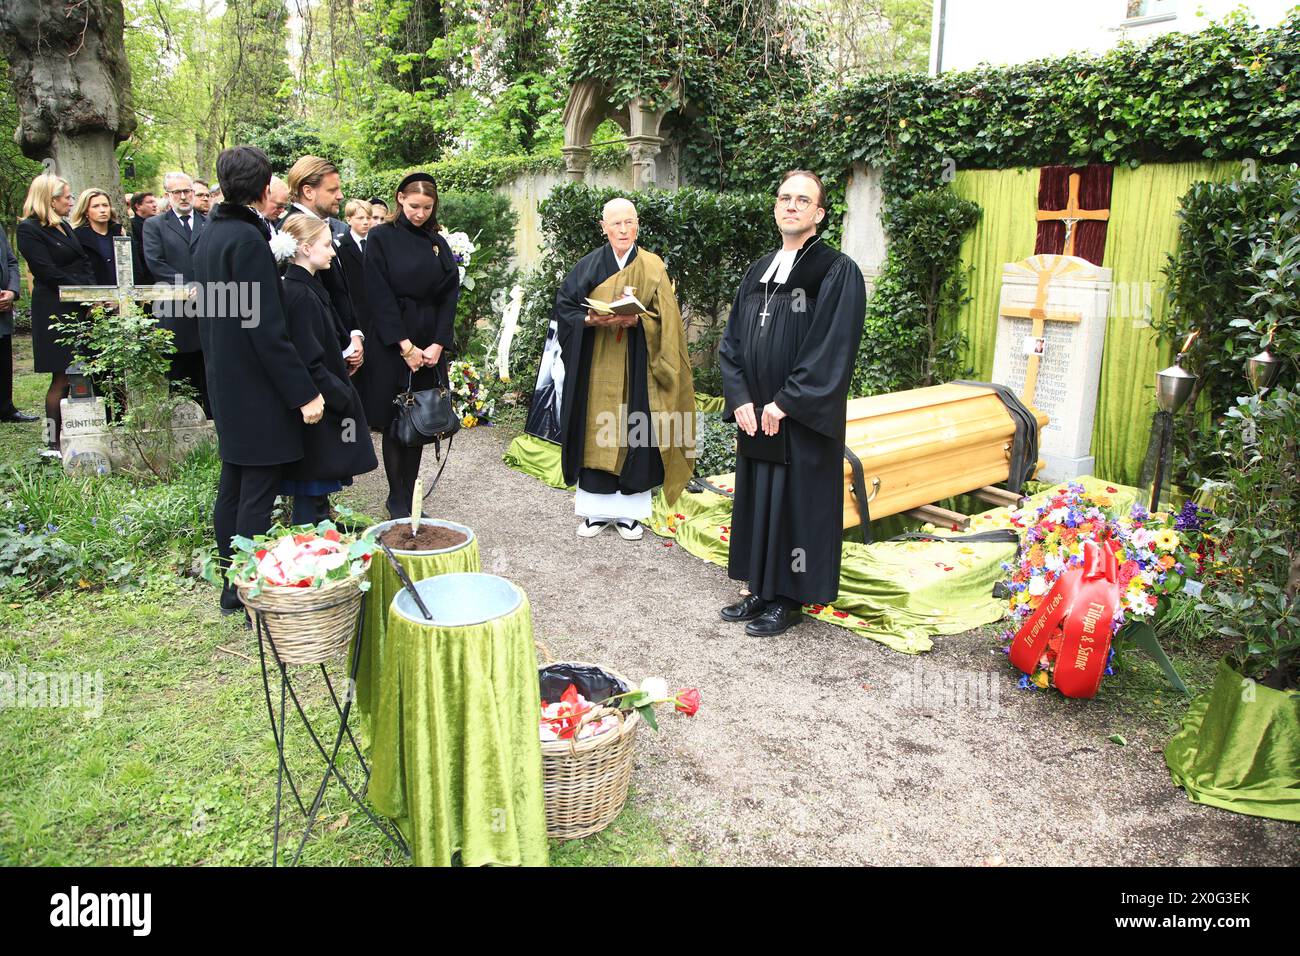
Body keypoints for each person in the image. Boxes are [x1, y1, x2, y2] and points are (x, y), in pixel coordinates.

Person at [717, 170, 866, 637]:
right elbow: (733, 341)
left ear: (819, 214)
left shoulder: (836, 269)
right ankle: (761, 587)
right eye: (785, 198)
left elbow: (832, 347)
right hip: (755, 415)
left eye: (803, 200)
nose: (792, 206)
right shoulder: (759, 268)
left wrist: (785, 402)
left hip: (797, 417)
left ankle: (790, 598)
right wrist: (741, 398)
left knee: (796, 502)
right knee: (762, 497)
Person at [195, 145, 323, 616]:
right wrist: (304, 392)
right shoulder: (247, 242)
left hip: (227, 378)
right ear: (265, 185)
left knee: (233, 483)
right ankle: (244, 586)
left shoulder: (212, 234)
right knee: (255, 492)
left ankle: (231, 586)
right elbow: (266, 329)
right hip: (255, 386)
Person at [552, 197, 695, 541]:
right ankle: (596, 512)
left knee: (636, 429)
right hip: (596, 359)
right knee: (594, 431)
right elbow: (564, 305)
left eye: (629, 222)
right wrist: (590, 318)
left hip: (638, 361)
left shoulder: (651, 266)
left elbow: (668, 320)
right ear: (603, 227)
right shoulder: (588, 266)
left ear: (637, 225)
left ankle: (631, 514)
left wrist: (640, 319)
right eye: (615, 223)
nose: (622, 229)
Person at [358, 172, 459, 519]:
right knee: (394, 419)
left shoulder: (437, 242)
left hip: (430, 338)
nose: (420, 213)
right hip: (393, 339)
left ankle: (412, 493)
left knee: (421, 417)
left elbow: (450, 295)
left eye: (427, 208)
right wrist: (405, 346)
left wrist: (437, 344)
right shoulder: (381, 237)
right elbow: (378, 294)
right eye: (415, 206)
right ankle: (396, 497)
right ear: (400, 198)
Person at [274, 215, 377, 524]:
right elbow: (308, 359)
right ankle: (311, 554)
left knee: (316, 492)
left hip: (325, 392)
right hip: (320, 400)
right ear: (305, 248)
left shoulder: (306, 287)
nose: (333, 251)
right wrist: (342, 393)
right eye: (327, 245)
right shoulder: (300, 294)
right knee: (311, 490)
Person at [16, 173, 95, 454]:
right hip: (53, 309)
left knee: (82, 371)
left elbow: (83, 261)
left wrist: (90, 294)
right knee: (60, 376)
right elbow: (46, 271)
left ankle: (82, 429)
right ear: (49, 199)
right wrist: (80, 291)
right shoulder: (29, 230)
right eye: (66, 198)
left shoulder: (63, 225)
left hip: (79, 306)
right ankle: (52, 442)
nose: (71, 202)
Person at [280, 156, 363, 374]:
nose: (340, 196)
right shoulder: (288, 235)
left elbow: (340, 289)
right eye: (332, 190)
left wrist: (354, 333)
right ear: (308, 191)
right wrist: (343, 347)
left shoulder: (327, 227)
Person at [143, 171, 209, 414]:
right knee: (179, 373)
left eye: (187, 191)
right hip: (174, 310)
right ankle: (183, 422)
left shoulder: (209, 222)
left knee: (207, 372)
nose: (183, 197)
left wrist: (203, 285)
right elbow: (155, 262)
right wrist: (188, 285)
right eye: (177, 192)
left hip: (209, 306)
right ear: (167, 195)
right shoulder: (155, 225)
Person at [0, 219, 37, 423]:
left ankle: (6, 409)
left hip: (3, 305)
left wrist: (13, 291)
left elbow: (11, 262)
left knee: (4, 360)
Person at [70, 188, 125, 285]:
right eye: (95, 206)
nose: (102, 210)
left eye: (105, 205)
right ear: (86, 211)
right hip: (95, 294)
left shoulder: (120, 232)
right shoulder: (77, 237)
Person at [337, 198, 372, 331]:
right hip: (356, 309)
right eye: (360, 218)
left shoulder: (377, 244)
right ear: (349, 219)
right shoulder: (340, 246)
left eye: (368, 218)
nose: (365, 222)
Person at [128, 191, 157, 284]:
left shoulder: (159, 224)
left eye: (154, 202)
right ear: (138, 206)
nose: (155, 205)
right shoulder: (131, 225)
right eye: (150, 202)